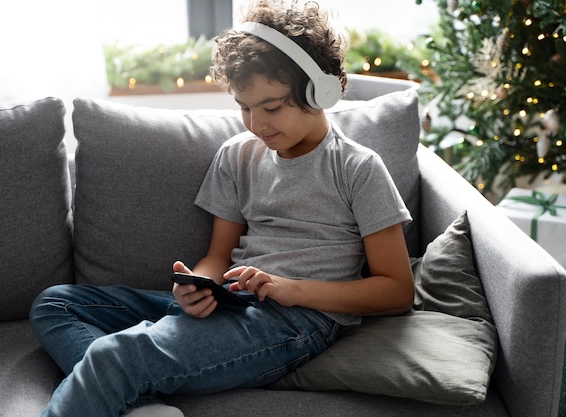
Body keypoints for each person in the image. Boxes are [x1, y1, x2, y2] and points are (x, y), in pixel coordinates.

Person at [29, 1, 414, 416]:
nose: (257, 123)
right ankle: (138, 405)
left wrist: (290, 288)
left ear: (321, 90)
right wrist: (195, 286)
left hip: (295, 321)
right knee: (55, 303)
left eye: (271, 107)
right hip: (229, 302)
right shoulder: (237, 155)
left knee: (114, 355)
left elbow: (397, 290)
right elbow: (218, 256)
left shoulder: (357, 168)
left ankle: (120, 377)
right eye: (244, 107)